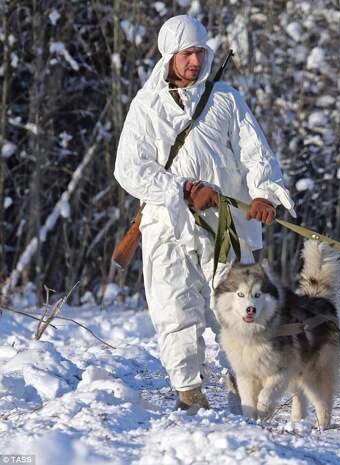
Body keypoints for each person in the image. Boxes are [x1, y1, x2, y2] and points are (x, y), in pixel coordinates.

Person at [114, 15, 294, 412]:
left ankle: (241, 383)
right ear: (169, 56)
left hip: (226, 224)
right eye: (187, 54)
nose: (195, 61)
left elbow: (255, 152)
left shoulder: (227, 99)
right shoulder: (146, 106)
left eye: (200, 52)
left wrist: (264, 194)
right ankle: (189, 393)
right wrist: (181, 190)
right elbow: (130, 168)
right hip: (167, 224)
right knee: (174, 306)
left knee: (239, 305)